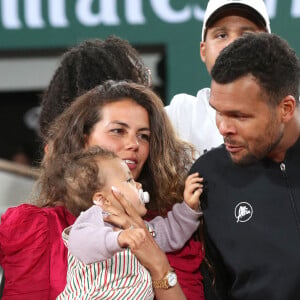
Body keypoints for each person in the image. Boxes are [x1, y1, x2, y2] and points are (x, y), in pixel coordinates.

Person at [0, 79, 202, 299]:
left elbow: (176, 229)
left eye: (143, 136)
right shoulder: (37, 228)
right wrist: (118, 240)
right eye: (118, 131)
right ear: (83, 139)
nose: (134, 144)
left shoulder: (156, 227)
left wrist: (159, 265)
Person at [190, 32, 300, 299]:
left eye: (239, 115)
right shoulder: (207, 177)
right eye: (218, 110)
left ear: (286, 108)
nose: (223, 128)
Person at [40, 146, 202, 299]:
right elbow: (81, 243)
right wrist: (118, 238)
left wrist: (188, 207)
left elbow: (171, 232)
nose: (138, 185)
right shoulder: (95, 219)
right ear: (101, 199)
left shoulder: (143, 229)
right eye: (129, 180)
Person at [165, 0, 271, 155]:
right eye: (222, 35)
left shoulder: (292, 117)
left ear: (269, 47)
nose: (233, 44)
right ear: (203, 50)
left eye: (247, 35)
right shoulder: (179, 116)